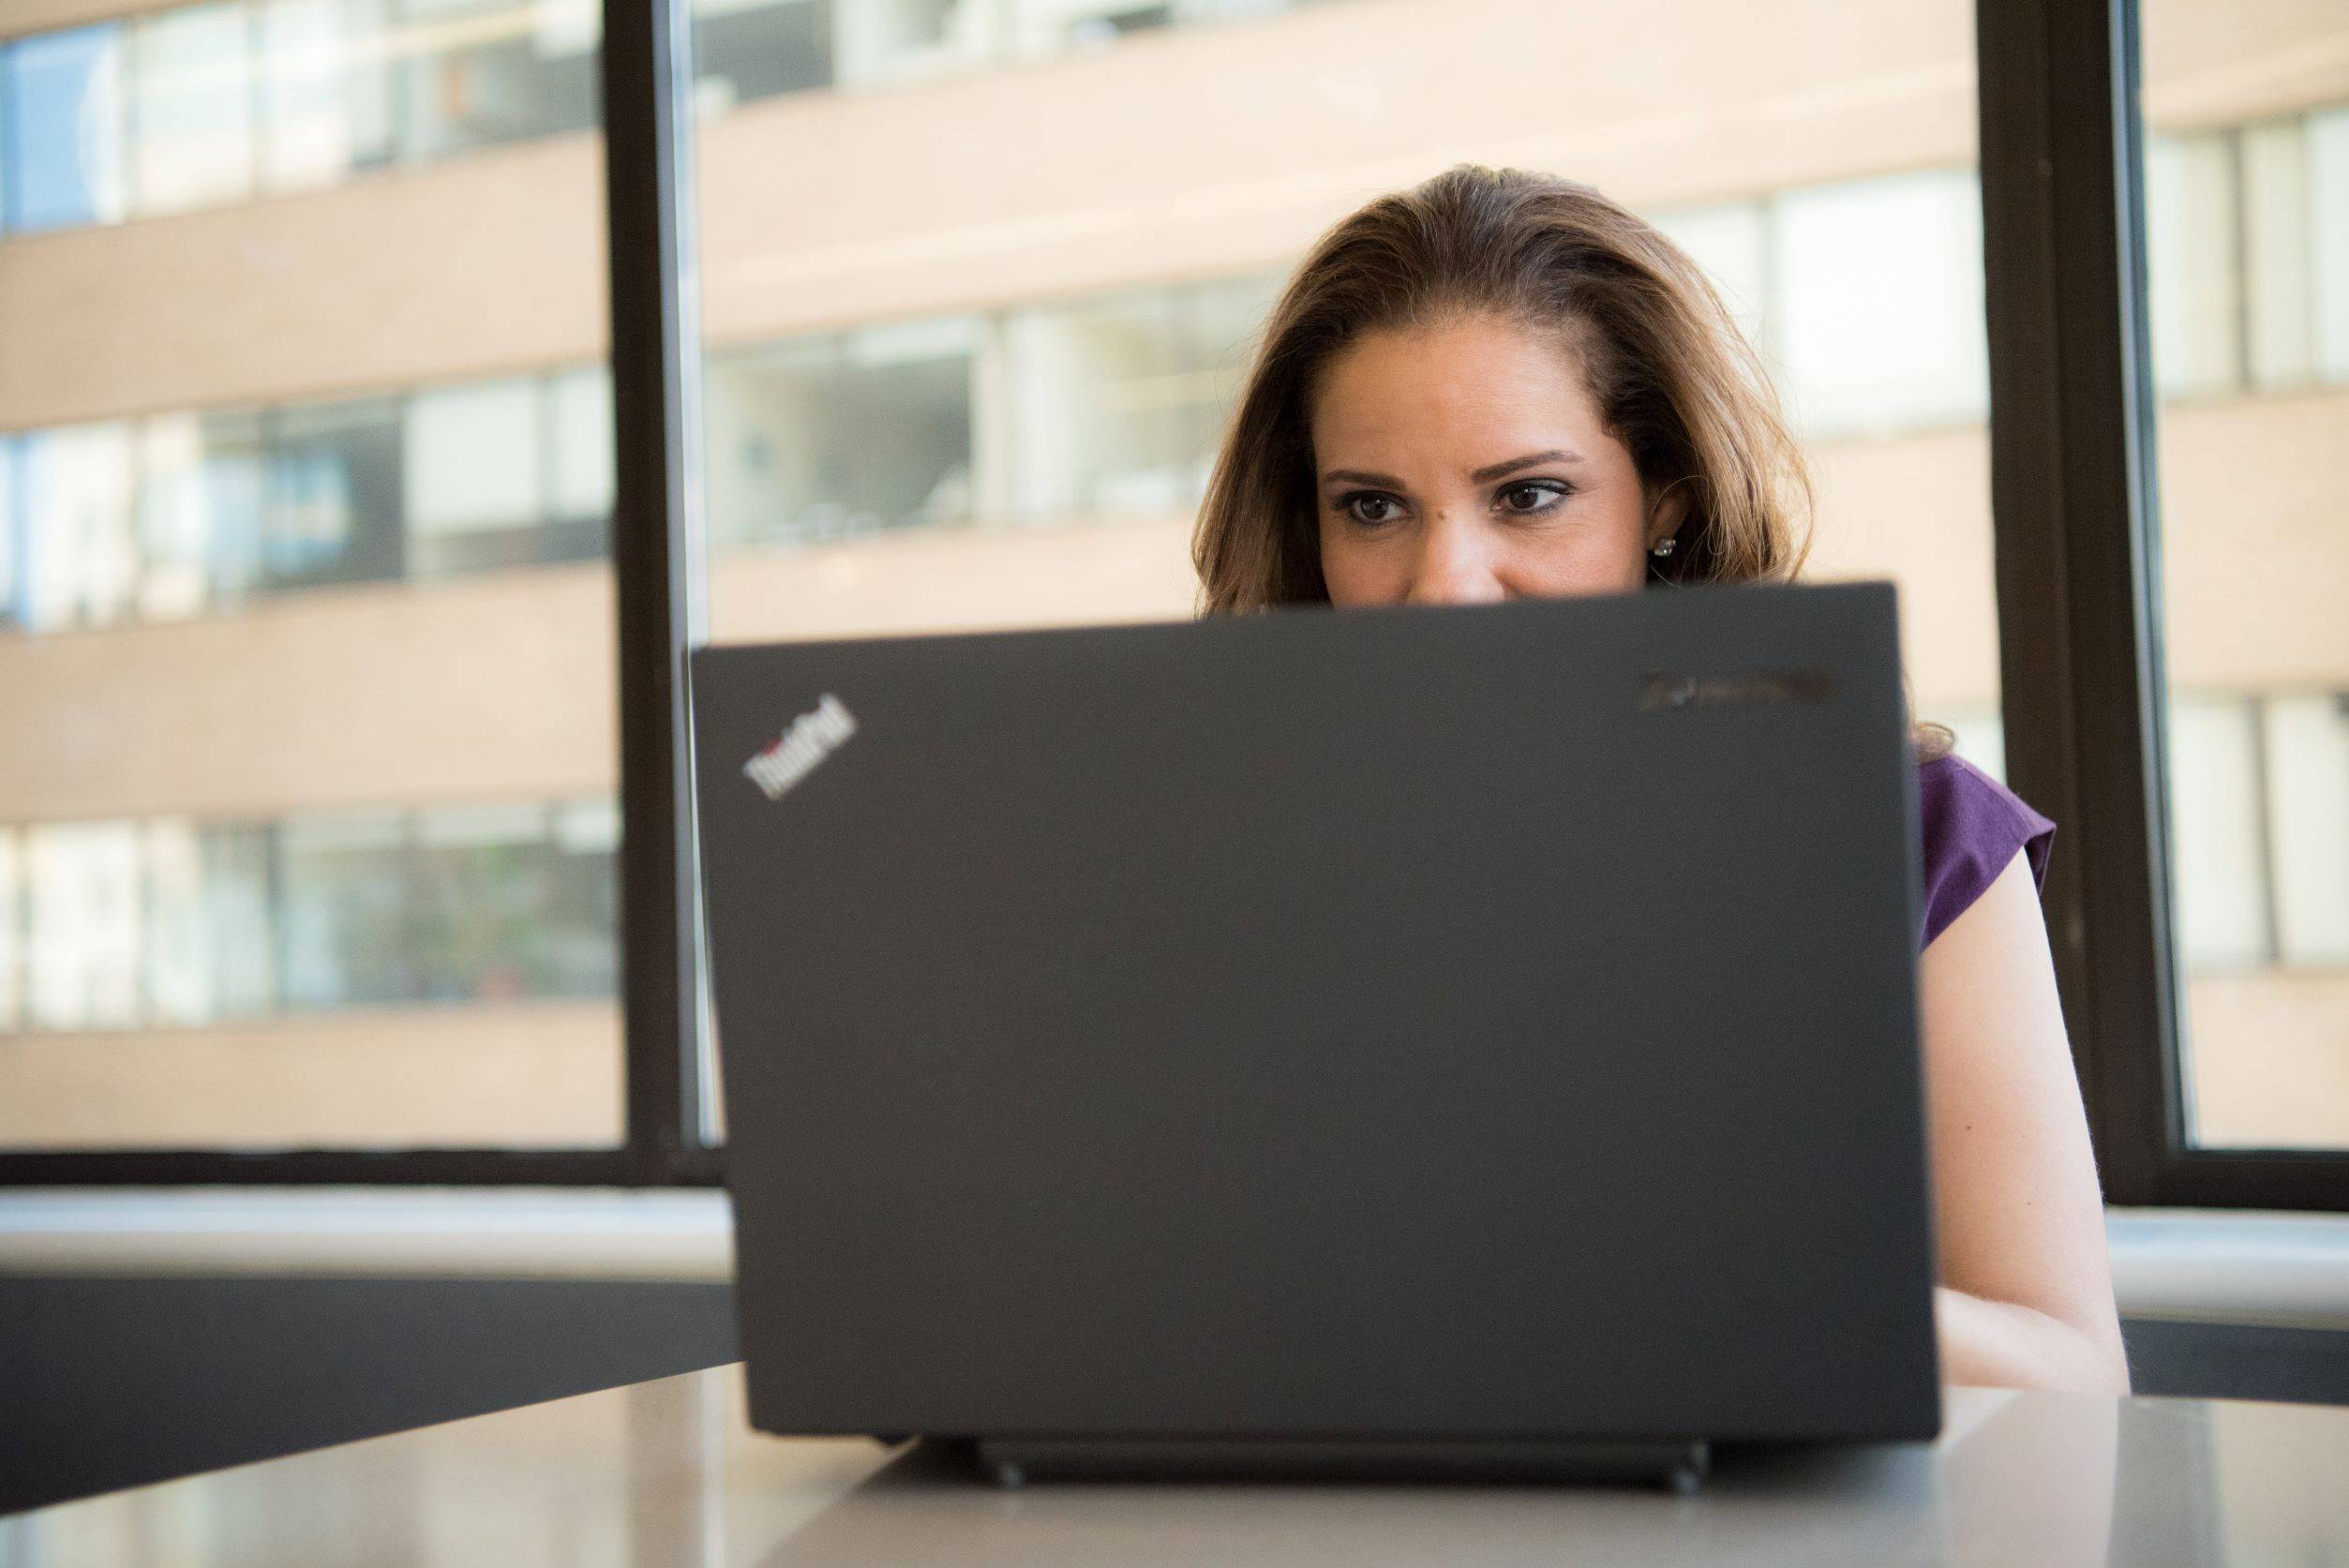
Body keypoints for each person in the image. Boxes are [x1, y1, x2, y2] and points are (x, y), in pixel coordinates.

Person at [1191, 163, 2131, 1396]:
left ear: (1667, 496)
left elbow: (2067, 1369)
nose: (1445, 582)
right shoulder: (1216, 844)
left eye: (1525, 496)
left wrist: (1709, 1277)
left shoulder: (1911, 835)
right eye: (1371, 507)